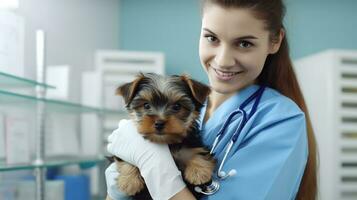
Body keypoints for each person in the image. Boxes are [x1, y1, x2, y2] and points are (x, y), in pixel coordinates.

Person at [105, 0, 318, 199]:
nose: (223, 61)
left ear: (274, 41)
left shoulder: (281, 121)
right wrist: (119, 184)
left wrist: (154, 165)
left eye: (244, 44)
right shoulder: (191, 103)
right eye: (212, 38)